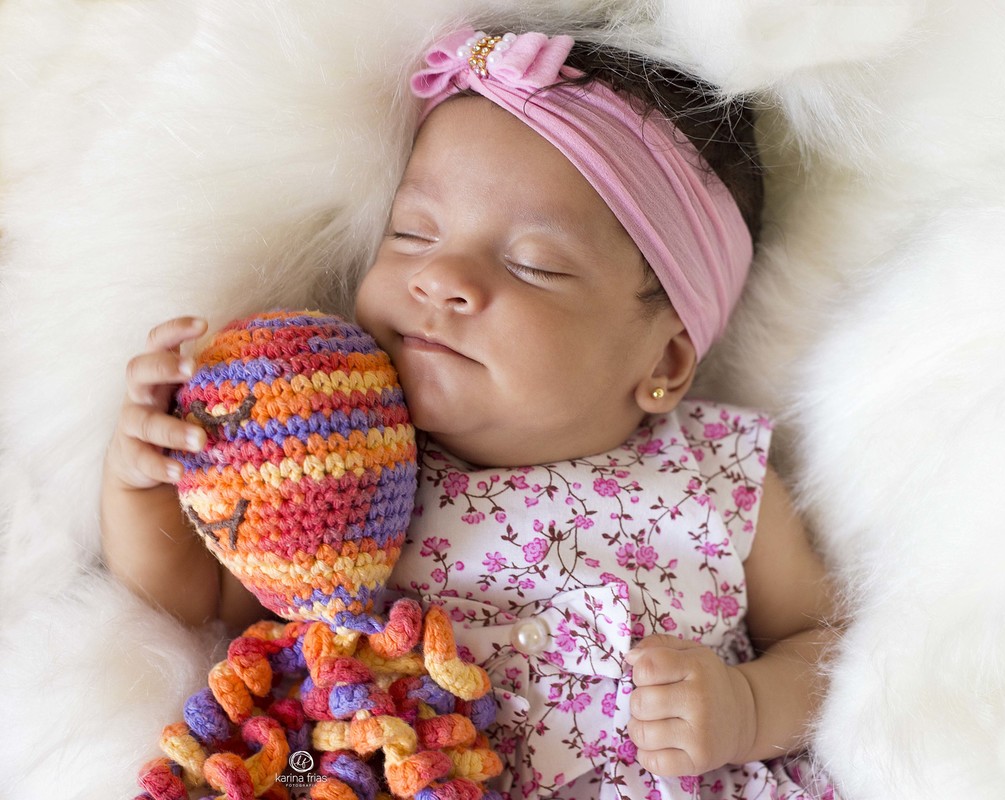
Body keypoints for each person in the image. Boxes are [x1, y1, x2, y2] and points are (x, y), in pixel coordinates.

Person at [100, 27, 841, 800]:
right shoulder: (347, 474)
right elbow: (197, 606)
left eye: (534, 264)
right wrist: (141, 478)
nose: (441, 275)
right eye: (412, 234)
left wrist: (749, 707)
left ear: (665, 362)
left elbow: (828, 650)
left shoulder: (717, 475)